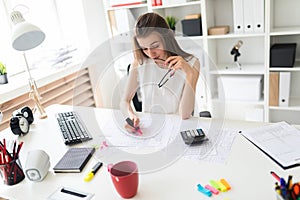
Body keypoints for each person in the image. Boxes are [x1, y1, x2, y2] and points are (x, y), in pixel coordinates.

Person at [120, 12, 200, 133]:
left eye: (155, 45)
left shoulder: (192, 63)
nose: (151, 54)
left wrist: (189, 74)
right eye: (144, 48)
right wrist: (130, 117)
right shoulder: (139, 63)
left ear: (167, 38)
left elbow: (185, 114)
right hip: (149, 129)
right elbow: (124, 101)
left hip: (177, 129)